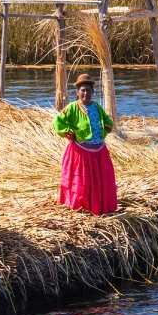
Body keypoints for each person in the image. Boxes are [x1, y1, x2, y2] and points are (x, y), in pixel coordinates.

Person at [53, 74, 117, 216]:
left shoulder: (97, 106)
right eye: (82, 90)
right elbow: (57, 121)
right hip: (81, 151)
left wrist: (108, 127)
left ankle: (98, 204)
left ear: (93, 92)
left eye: (88, 90)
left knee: (99, 180)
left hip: (98, 149)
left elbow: (107, 119)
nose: (85, 93)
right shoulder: (72, 108)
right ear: (77, 92)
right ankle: (81, 205)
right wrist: (68, 133)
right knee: (82, 180)